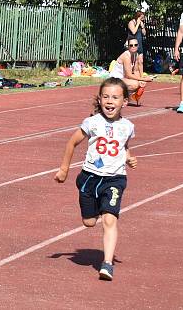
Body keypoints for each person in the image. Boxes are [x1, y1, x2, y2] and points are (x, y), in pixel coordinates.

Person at [54, 77, 137, 281]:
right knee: (89, 222)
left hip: (115, 179)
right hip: (90, 178)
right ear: (99, 100)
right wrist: (64, 169)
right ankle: (100, 207)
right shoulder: (92, 123)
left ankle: (107, 263)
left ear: (124, 102)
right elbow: (72, 143)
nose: (110, 101)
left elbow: (123, 146)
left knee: (110, 220)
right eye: (106, 97)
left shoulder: (127, 126)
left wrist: (128, 158)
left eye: (115, 97)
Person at [111, 37, 154, 105]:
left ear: (138, 46)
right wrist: (144, 79)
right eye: (131, 45)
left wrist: (141, 80)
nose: (133, 47)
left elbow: (136, 71)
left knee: (140, 83)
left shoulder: (136, 55)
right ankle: (118, 96)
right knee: (135, 84)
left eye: (135, 45)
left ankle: (126, 97)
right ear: (128, 47)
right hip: (114, 80)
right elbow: (129, 75)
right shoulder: (126, 56)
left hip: (123, 79)